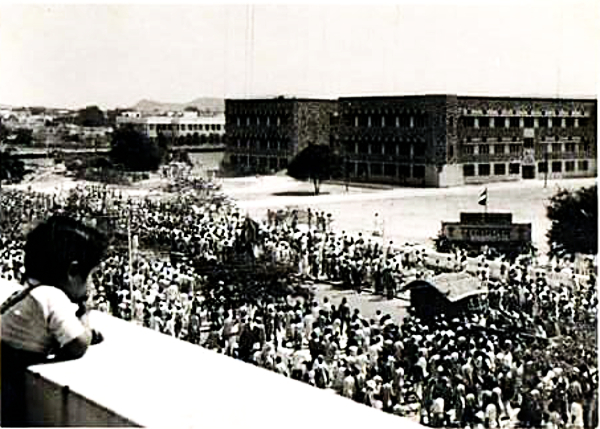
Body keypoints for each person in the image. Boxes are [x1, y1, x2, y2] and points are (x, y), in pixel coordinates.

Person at [1, 215, 107, 426]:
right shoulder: (52, 295)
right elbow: (77, 345)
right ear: (73, 272)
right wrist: (86, 314)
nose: (92, 284)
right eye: (91, 276)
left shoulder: (32, 293)